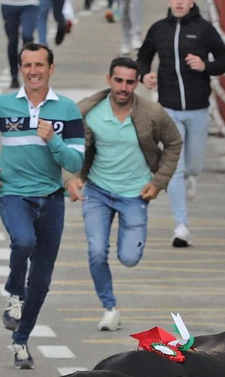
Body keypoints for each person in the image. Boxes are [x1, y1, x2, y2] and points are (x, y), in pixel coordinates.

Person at [0, 44, 84, 370]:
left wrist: (53, 140)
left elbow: (75, 162)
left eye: (39, 65)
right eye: (27, 65)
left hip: (52, 198)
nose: (33, 71)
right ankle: (14, 295)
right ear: (21, 69)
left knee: (42, 280)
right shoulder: (2, 105)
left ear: (51, 68)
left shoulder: (67, 110)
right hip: (13, 193)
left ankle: (21, 340)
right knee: (23, 241)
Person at [70, 58, 182, 330]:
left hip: (135, 194)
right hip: (97, 191)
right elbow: (70, 146)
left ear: (137, 83)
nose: (123, 87)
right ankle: (109, 308)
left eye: (130, 82)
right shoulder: (88, 111)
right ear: (108, 79)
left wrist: (158, 182)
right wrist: (71, 177)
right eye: (118, 80)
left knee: (129, 258)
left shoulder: (152, 112)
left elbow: (174, 143)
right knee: (97, 251)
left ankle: (128, 246)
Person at [138, 0, 225, 250]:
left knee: (193, 166)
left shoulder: (203, 29)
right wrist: (145, 75)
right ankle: (181, 226)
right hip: (168, 109)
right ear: (169, 0)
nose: (179, 1)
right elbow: (142, 57)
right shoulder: (159, 29)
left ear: (191, 1)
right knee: (175, 167)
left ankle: (191, 177)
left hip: (198, 108)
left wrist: (205, 66)